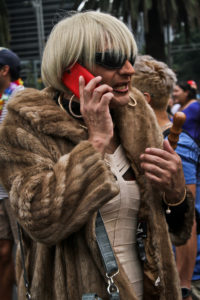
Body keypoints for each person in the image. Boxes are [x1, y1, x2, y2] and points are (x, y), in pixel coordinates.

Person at [0, 11, 195, 300]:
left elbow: (173, 232)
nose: (129, 69)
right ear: (71, 68)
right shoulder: (26, 121)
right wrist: (96, 142)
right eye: (113, 59)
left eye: (130, 57)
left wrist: (176, 194)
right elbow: (41, 223)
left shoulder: (135, 111)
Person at [132, 54, 200, 300]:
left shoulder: (176, 145)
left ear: (143, 99)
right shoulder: (152, 138)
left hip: (184, 276)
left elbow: (189, 220)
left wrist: (182, 287)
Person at [0, 47, 24, 300]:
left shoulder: (20, 97)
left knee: (25, 252)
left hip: (15, 188)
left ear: (4, 70)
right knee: (3, 251)